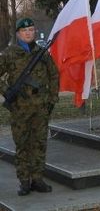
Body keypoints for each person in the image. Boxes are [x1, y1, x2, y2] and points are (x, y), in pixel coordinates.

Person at [0, 18, 59, 196]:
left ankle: (38, 179)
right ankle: (24, 182)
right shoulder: (10, 54)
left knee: (39, 143)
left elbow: (54, 75)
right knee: (23, 145)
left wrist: (52, 99)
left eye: (31, 30)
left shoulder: (41, 53)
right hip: (20, 108)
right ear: (18, 33)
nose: (28, 33)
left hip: (41, 108)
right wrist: (7, 91)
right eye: (25, 31)